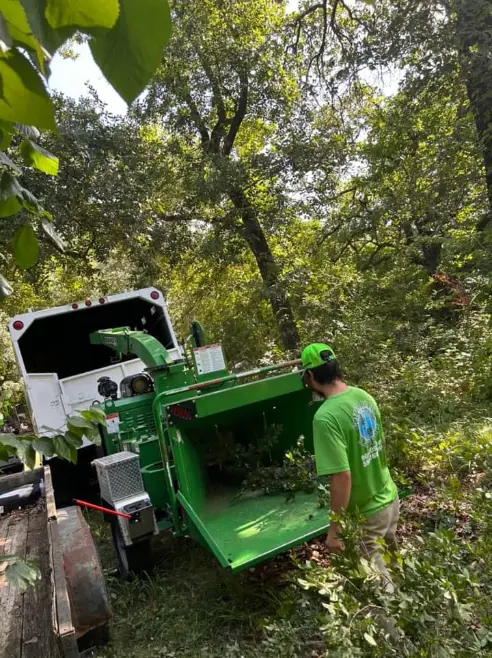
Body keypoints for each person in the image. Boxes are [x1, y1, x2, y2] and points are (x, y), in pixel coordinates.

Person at [301, 342, 399, 592]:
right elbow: (377, 444)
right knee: (394, 566)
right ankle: (411, 608)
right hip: (390, 498)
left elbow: (342, 476)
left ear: (310, 375)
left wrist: (334, 530)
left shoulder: (325, 417)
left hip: (368, 515)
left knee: (379, 589)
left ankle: (392, 617)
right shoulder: (363, 396)